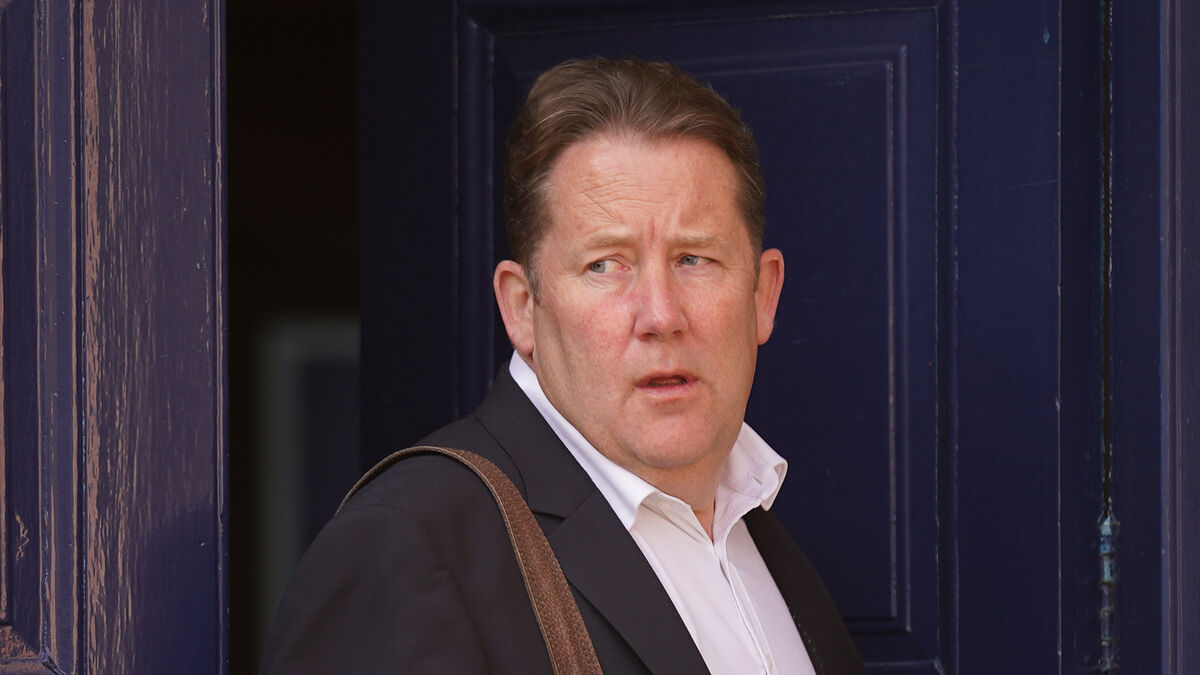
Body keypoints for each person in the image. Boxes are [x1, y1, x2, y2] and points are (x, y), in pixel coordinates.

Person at [261, 57, 862, 674]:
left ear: (763, 295)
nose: (661, 315)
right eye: (605, 264)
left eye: (694, 259)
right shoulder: (407, 546)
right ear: (523, 308)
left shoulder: (765, 550)